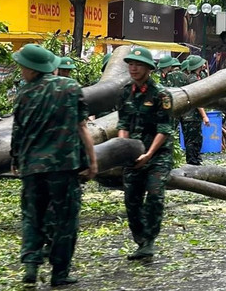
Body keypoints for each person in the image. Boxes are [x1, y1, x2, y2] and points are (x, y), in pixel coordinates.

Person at [10, 44, 97, 287]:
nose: (20, 70)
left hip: (31, 167)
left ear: (31, 68)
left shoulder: (23, 93)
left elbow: (17, 130)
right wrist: (92, 161)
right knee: (65, 220)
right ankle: (60, 273)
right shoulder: (70, 88)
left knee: (32, 216)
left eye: (22, 66)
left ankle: (31, 266)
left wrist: (15, 159)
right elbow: (82, 127)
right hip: (63, 166)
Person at [117, 46, 173, 260]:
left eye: (138, 64)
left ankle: (149, 241)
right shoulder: (124, 92)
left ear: (149, 68)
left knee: (155, 195)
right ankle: (140, 241)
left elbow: (164, 129)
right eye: (130, 64)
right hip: (132, 154)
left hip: (158, 154)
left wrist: (148, 154)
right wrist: (124, 147)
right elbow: (122, 122)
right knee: (132, 199)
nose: (133, 68)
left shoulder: (161, 94)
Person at [177, 55, 210, 165]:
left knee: (196, 138)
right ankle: (192, 162)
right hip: (190, 115)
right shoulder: (193, 79)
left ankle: (196, 159)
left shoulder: (195, 77)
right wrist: (204, 116)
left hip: (191, 115)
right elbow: (197, 100)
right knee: (192, 140)